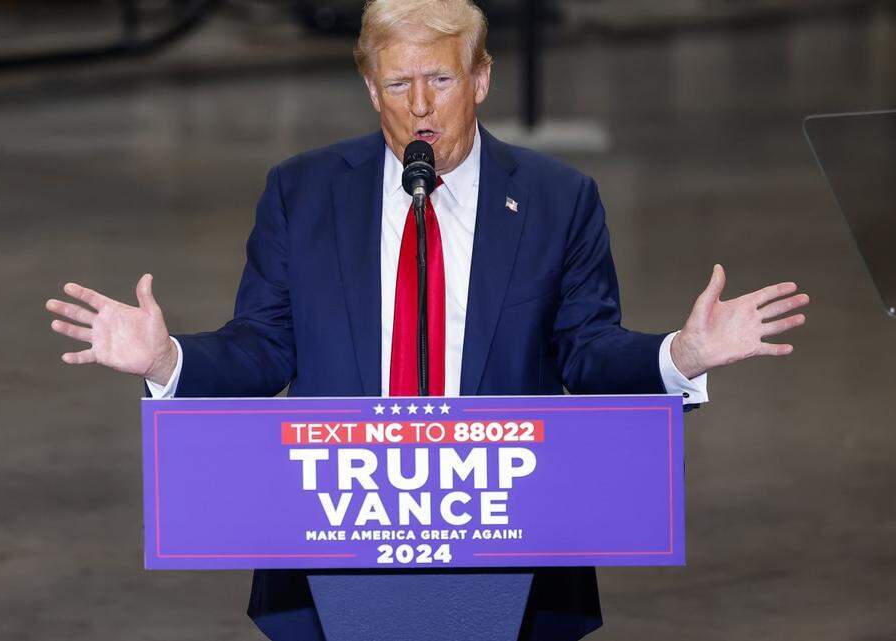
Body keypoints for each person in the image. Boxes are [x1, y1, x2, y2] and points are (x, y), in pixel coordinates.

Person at [46, 0, 809, 638]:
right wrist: (166, 361)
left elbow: (586, 350)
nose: (419, 105)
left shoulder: (556, 198)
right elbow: (265, 346)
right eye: (398, 82)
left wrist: (682, 355)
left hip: (511, 543)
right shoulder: (302, 193)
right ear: (368, 87)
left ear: (480, 78)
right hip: (338, 536)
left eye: (441, 79)